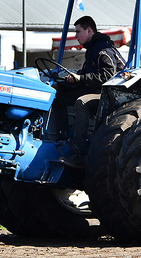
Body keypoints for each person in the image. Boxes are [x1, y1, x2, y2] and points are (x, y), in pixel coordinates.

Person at [52, 16, 125, 167]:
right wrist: (65, 82)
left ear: (89, 30)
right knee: (57, 97)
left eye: (78, 32)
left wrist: (80, 78)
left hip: (111, 95)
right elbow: (87, 75)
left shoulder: (103, 48)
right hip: (96, 89)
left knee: (82, 102)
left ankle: (77, 152)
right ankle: (61, 138)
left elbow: (108, 76)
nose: (76, 36)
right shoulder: (91, 49)